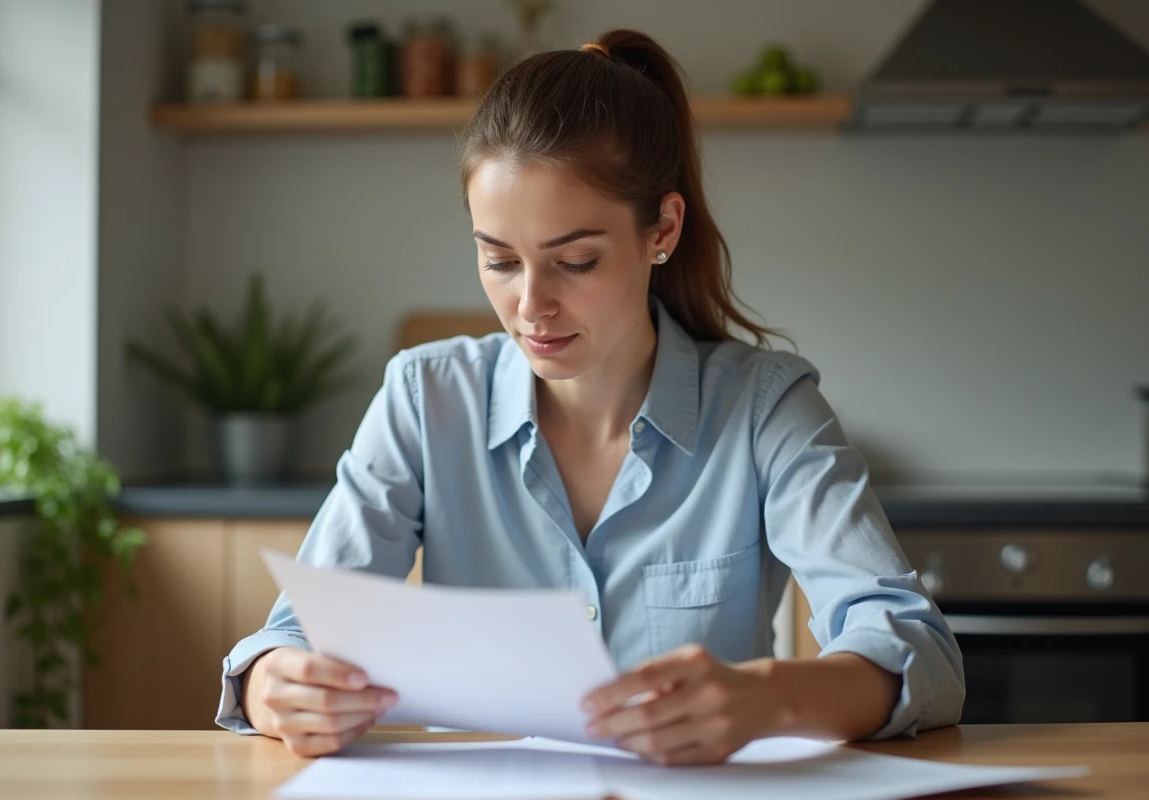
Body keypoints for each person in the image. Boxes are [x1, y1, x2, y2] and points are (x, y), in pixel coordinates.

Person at [215, 29, 964, 765]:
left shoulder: (765, 409)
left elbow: (918, 650)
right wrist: (275, 686)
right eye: (499, 260)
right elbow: (293, 637)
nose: (530, 305)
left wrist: (768, 699)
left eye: (575, 261)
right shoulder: (424, 398)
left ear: (661, 229)